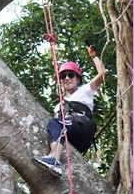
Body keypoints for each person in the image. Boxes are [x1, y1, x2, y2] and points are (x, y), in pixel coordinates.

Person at [33, 45, 106, 176]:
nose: (67, 78)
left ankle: (54, 160)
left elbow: (102, 74)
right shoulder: (58, 105)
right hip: (71, 134)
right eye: (63, 76)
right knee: (53, 124)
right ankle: (53, 158)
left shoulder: (85, 90)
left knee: (55, 123)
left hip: (83, 126)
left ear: (78, 79)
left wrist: (93, 55)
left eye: (71, 75)